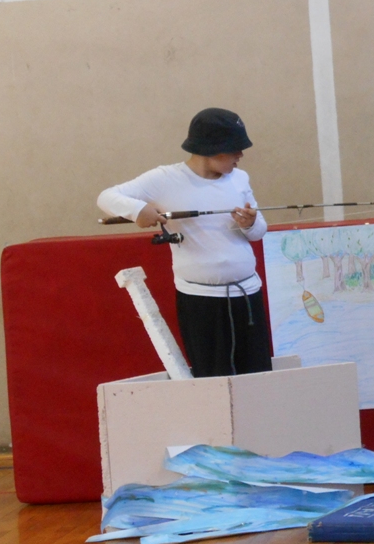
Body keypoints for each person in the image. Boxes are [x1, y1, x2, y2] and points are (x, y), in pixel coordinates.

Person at [98, 108, 273, 378]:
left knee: (259, 378)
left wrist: (249, 223)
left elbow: (258, 231)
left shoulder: (240, 179)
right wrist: (138, 211)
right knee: (212, 379)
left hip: (248, 297)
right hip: (201, 302)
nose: (240, 155)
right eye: (235, 149)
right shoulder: (164, 179)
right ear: (212, 149)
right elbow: (107, 197)